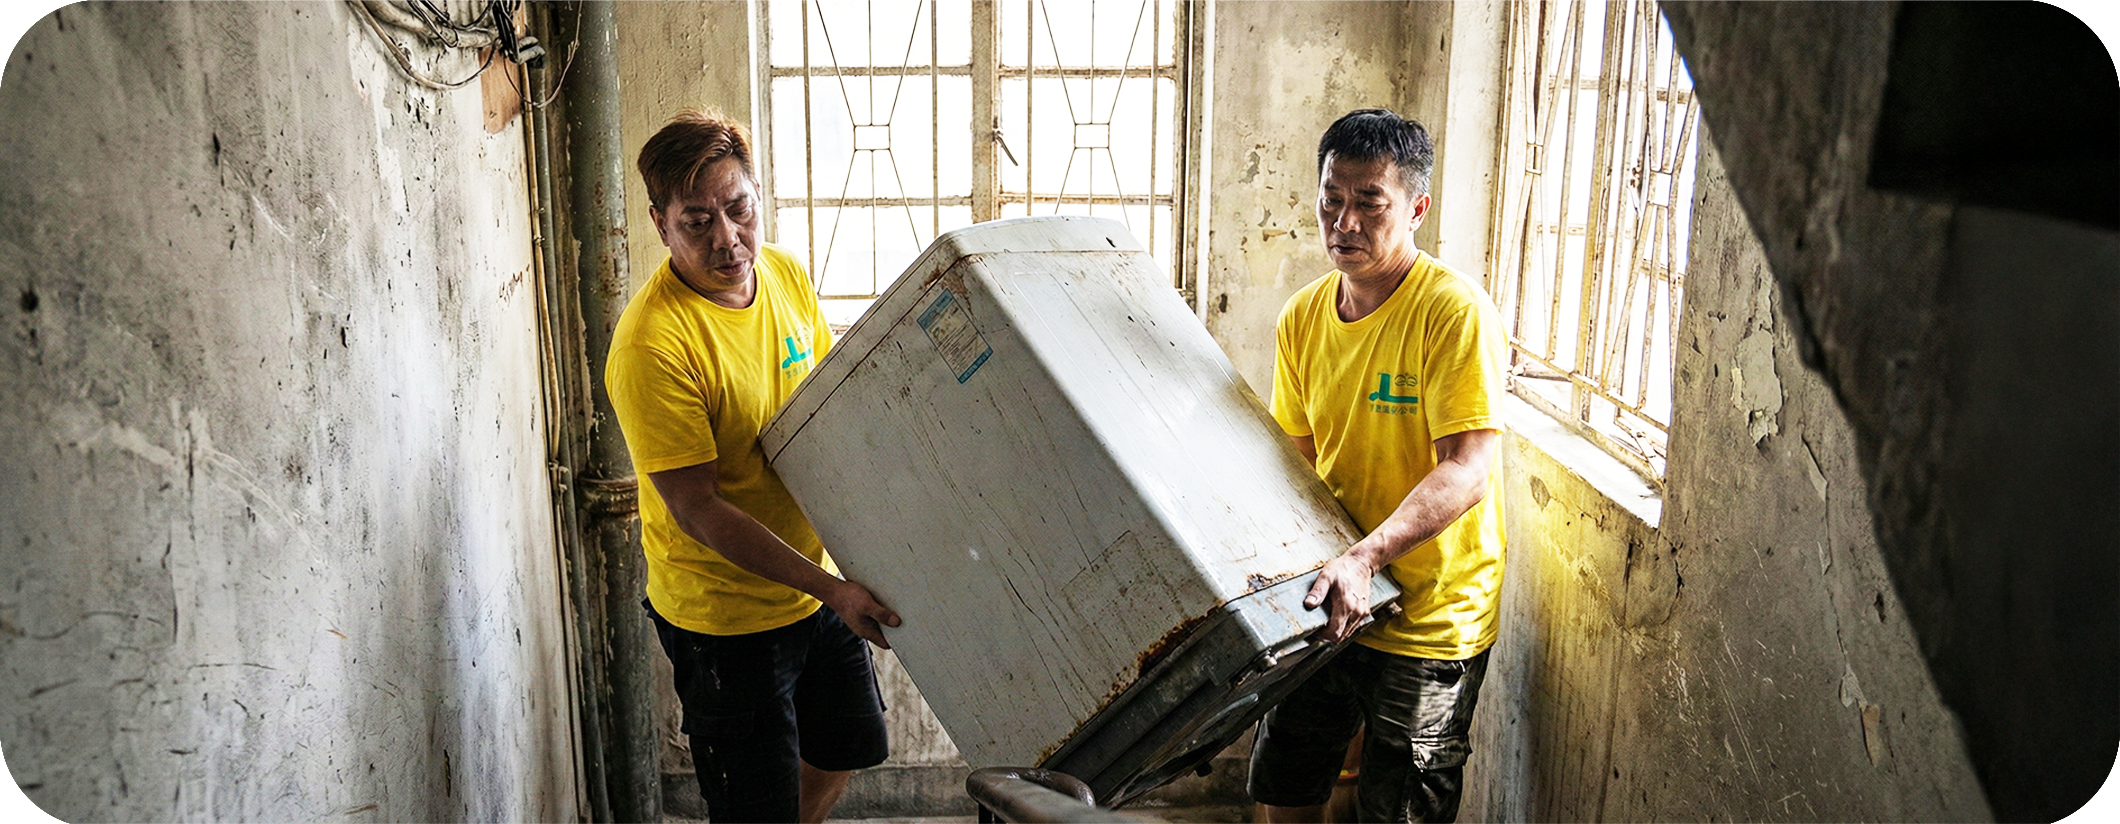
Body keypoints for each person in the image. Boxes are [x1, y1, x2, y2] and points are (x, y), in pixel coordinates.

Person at [604, 109, 902, 824]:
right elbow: (698, 508)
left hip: (815, 584)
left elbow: (828, 415)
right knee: (750, 806)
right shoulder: (654, 345)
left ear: (757, 196)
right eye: (698, 221)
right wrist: (833, 590)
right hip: (725, 621)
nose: (729, 239)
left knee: (848, 747)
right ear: (660, 224)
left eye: (738, 210)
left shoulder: (786, 276)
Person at [1248, 108, 1509, 823]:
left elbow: (1466, 469)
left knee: (1397, 808)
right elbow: (1296, 459)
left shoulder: (1453, 313)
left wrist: (1366, 558)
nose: (1345, 223)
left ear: (1417, 207)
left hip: (1430, 610)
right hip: (1330, 598)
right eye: (1333, 200)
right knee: (1286, 782)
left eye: (1371, 204)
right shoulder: (1303, 317)